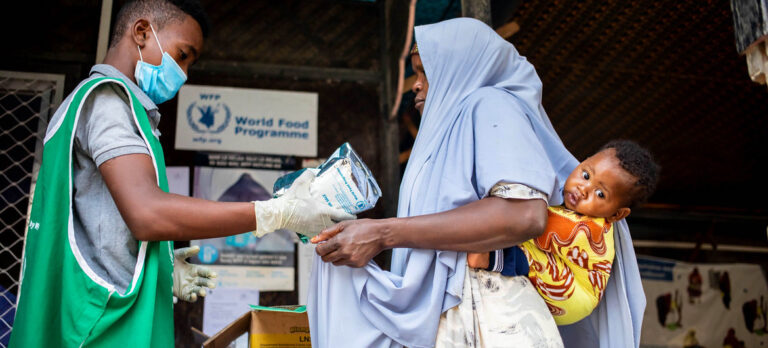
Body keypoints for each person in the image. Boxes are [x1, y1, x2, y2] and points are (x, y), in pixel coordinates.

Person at [9, 1, 351, 346]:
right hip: (99, 331)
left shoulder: (96, 105)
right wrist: (276, 212)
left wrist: (154, 265)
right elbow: (147, 214)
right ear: (142, 32)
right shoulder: (109, 103)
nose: (184, 73)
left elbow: (95, 225)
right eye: (183, 55)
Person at [308, 18, 646, 348]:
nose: (416, 85)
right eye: (416, 73)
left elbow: (524, 216)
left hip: (490, 320)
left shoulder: (491, 104)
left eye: (427, 72)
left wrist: (382, 234)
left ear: (462, 68)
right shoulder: (447, 132)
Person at [467, 140, 660, 326]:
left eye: (600, 194)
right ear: (583, 161)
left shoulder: (585, 229)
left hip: (574, 296)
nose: (583, 189)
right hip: (567, 276)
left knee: (526, 244)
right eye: (586, 175)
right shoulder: (580, 210)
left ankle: (490, 258)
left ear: (617, 214)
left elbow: (532, 222)